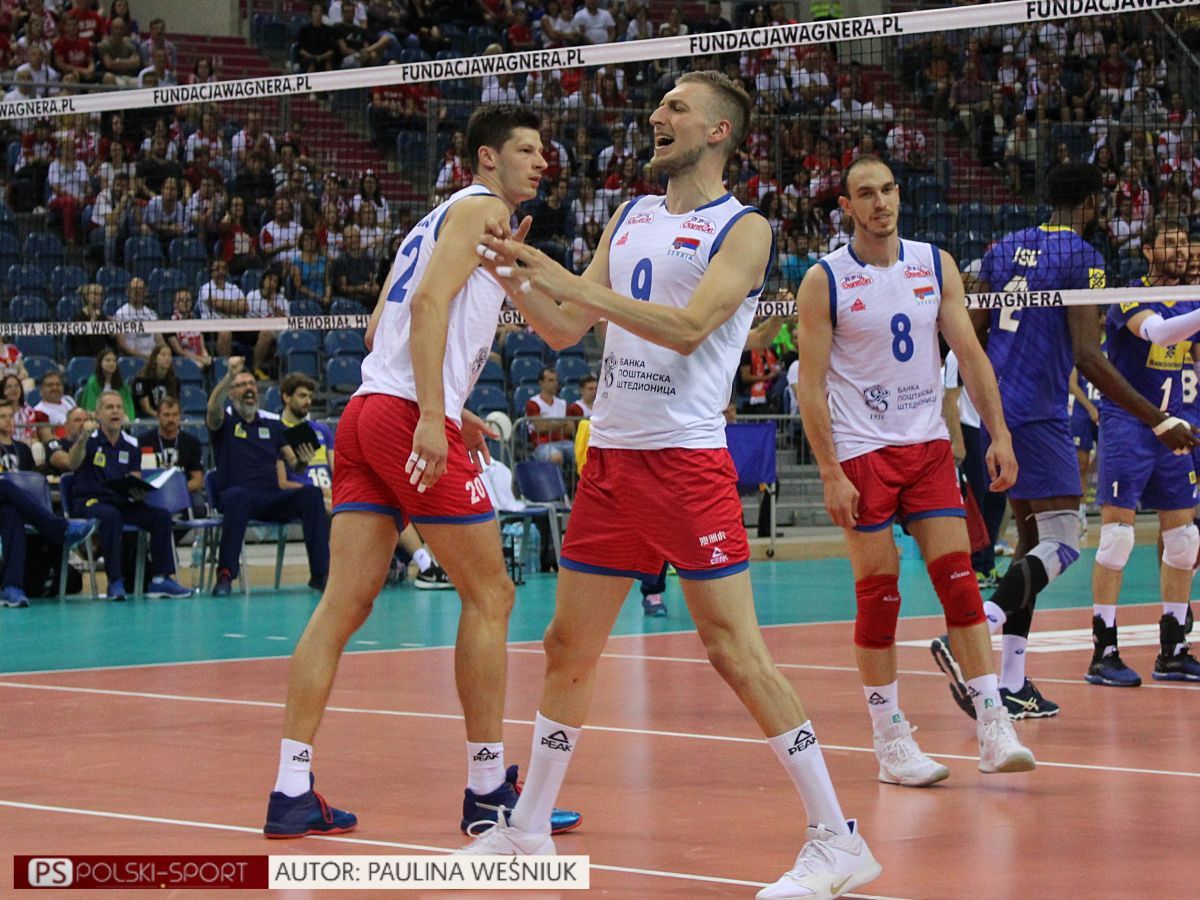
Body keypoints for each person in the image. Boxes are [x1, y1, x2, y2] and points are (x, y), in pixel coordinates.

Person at [470, 72, 881, 898]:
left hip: (686, 462)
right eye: (659, 105)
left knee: (734, 652)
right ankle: (527, 833)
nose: (657, 115)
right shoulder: (630, 215)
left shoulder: (745, 228)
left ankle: (839, 840)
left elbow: (691, 329)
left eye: (677, 107)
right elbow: (567, 328)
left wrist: (568, 279)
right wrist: (515, 273)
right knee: (566, 647)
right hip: (612, 459)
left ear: (719, 131)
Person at [262, 105, 582, 842]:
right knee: (492, 594)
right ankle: (487, 792)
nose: (542, 162)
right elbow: (432, 302)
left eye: (543, 151)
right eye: (526, 150)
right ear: (486, 158)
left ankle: (290, 789)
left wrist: (449, 406)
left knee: (342, 605)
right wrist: (434, 414)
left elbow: (382, 329)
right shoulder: (479, 210)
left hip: (365, 411)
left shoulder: (434, 223)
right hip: (405, 415)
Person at [795, 154, 1034, 790]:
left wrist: (999, 433)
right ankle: (890, 740)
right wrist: (829, 472)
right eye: (865, 193)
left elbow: (971, 356)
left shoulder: (934, 263)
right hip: (861, 450)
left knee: (961, 585)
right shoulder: (824, 280)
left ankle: (993, 725)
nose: (881, 203)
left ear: (900, 193)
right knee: (880, 595)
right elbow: (810, 387)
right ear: (846, 206)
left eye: (888, 190)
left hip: (926, 446)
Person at [931, 163, 1197, 720]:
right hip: (1039, 412)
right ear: (1094, 202)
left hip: (994, 410)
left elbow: (968, 330)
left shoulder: (1004, 247)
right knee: (1067, 539)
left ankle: (1011, 682)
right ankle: (974, 628)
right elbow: (1088, 357)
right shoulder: (1084, 259)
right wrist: (1158, 420)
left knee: (1031, 543)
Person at [1086, 220, 1200, 685]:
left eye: (1184, 242)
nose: (1179, 249)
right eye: (1169, 243)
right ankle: (1104, 651)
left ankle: (1173, 649)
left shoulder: (1190, 300)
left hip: (1175, 426)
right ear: (1149, 251)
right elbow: (1160, 334)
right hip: (1128, 423)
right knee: (1117, 538)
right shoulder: (1129, 295)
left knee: (1184, 540)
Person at [205, 358, 329, 597]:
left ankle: (321, 574)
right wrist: (229, 376)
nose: (249, 389)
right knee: (237, 497)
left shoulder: (272, 424)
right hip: (237, 497)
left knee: (312, 495)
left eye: (252, 384)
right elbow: (212, 408)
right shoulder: (225, 421)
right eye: (241, 385)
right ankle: (226, 574)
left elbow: (294, 464)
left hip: (271, 497)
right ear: (231, 393)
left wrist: (303, 461)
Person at [65, 391, 192, 601]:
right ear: (98, 413)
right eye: (109, 407)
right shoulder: (88, 439)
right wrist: (83, 438)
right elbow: (72, 463)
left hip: (121, 501)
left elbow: (134, 476)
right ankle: (115, 581)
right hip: (91, 501)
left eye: (118, 407)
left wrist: (137, 490)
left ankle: (161, 579)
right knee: (111, 516)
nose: (115, 411)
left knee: (160, 516)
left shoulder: (132, 443)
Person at [0, 400, 96, 607]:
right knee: (4, 485)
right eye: (2, 417)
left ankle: (12, 587)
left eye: (10, 416)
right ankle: (61, 529)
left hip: (7, 506)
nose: (7, 420)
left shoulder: (22, 449)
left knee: (11, 513)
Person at [138, 394, 205, 517]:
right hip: (153, 491)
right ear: (158, 416)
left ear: (180, 416)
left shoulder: (191, 442)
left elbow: (197, 480)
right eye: (166, 415)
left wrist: (173, 489)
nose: (171, 419)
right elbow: (138, 476)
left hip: (183, 490)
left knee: (199, 507)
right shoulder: (143, 441)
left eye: (175, 415)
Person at [279, 373, 335, 512]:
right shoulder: (277, 431)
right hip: (303, 496)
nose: (308, 401)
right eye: (302, 396)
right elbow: (282, 483)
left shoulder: (322, 429)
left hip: (331, 493)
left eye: (310, 396)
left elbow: (336, 470)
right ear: (286, 397)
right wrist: (319, 491)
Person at [525, 366, 575, 468]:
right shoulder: (533, 403)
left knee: (585, 455)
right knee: (556, 457)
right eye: (550, 380)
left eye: (556, 380)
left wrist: (548, 424)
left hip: (565, 442)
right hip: (543, 444)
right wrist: (562, 423)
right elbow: (540, 428)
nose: (555, 383)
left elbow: (571, 429)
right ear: (541, 382)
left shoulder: (563, 403)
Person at [80, 348, 136, 422]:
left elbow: (128, 406)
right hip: (98, 418)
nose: (111, 363)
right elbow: (90, 408)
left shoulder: (122, 384)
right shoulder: (93, 382)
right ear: (100, 363)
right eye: (108, 360)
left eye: (114, 361)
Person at [131, 344, 179, 419]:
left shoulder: (175, 380)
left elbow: (174, 404)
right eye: (163, 355)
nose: (167, 358)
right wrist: (164, 416)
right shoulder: (141, 380)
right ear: (155, 358)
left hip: (166, 416)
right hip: (146, 419)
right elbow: (147, 409)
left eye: (170, 355)